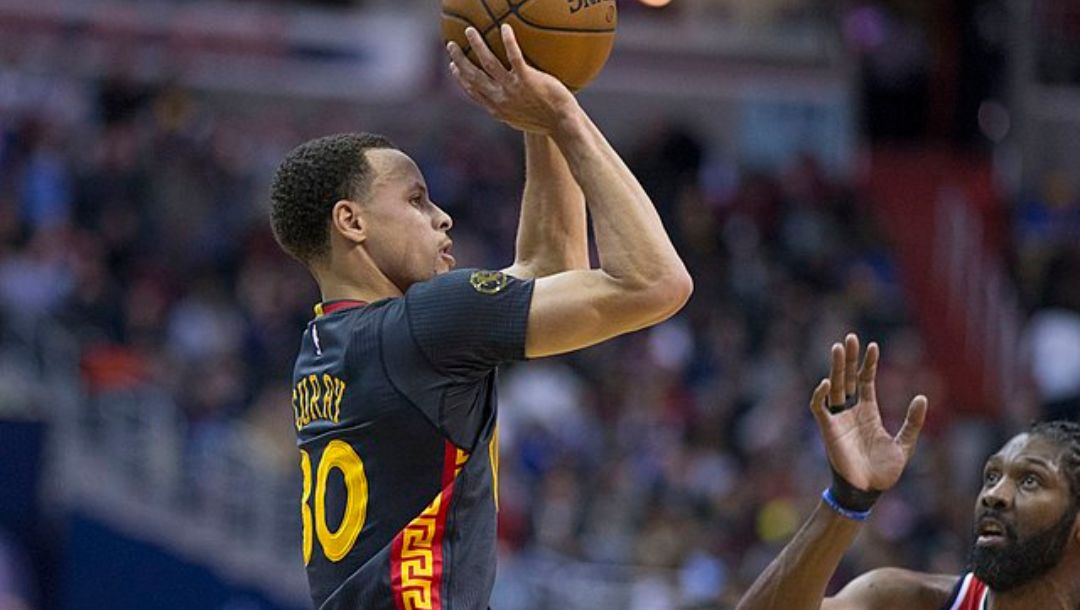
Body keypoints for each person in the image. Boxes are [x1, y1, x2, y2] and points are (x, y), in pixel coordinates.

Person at [268, 24, 692, 610]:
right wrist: (566, 116)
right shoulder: (423, 325)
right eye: (417, 200)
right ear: (352, 222)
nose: (442, 217)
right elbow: (657, 282)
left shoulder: (326, 344)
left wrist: (536, 118)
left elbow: (549, 270)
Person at [735, 334, 1080, 610]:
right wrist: (848, 499)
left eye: (1030, 481)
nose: (994, 495)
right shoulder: (900, 599)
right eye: (991, 476)